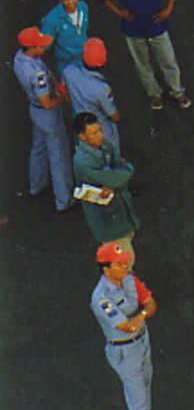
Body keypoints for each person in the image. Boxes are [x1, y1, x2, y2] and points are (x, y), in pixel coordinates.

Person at [90, 242, 166, 410]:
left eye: (125, 261)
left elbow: (151, 304)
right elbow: (127, 327)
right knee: (138, 398)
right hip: (124, 349)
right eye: (119, 263)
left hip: (142, 341)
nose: (125, 266)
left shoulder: (130, 278)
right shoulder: (101, 298)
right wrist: (142, 314)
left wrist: (140, 316)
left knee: (146, 384)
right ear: (106, 268)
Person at [94, 0, 188, 110]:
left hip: (157, 25)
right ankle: (154, 94)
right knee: (142, 65)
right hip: (134, 29)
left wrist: (169, 8)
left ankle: (177, 91)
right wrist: (119, 12)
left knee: (168, 60)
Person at [14, 26, 74, 211]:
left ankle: (36, 186)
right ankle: (64, 199)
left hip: (35, 110)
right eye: (40, 46)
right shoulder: (36, 74)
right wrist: (64, 98)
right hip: (47, 113)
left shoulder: (20, 58)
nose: (44, 48)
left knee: (38, 148)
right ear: (31, 47)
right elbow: (47, 103)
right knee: (59, 155)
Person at [73, 112, 139, 247]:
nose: (100, 135)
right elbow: (123, 173)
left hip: (123, 212)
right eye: (94, 133)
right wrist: (119, 173)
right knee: (122, 262)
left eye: (99, 130)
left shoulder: (106, 145)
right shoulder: (83, 161)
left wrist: (113, 178)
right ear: (82, 137)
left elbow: (116, 176)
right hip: (109, 223)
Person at [64, 37, 120, 151]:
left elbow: (64, 91)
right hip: (101, 130)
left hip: (81, 125)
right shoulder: (101, 89)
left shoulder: (69, 72)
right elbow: (114, 116)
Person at [42, 0, 92, 71]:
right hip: (67, 65)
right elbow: (44, 45)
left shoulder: (83, 7)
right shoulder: (52, 19)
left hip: (85, 59)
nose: (71, 3)